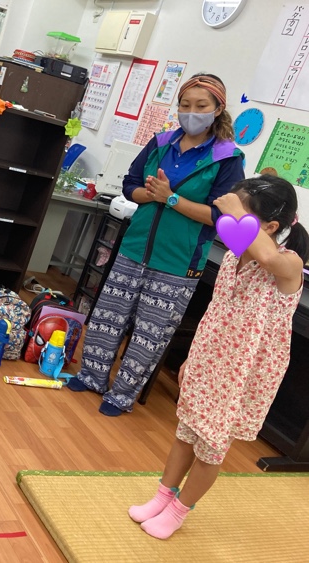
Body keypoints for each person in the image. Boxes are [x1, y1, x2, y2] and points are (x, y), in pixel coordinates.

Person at [129, 175, 308, 539]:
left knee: (210, 448)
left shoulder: (287, 264)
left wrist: (235, 212)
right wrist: (192, 359)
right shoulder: (233, 256)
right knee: (185, 433)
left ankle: (179, 511)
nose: (230, 221)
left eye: (240, 215)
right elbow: (215, 313)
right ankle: (163, 496)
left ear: (271, 227)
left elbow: (267, 255)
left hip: (241, 377)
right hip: (210, 360)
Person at [67, 73, 246, 416]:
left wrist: (170, 198)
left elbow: (222, 216)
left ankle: (121, 397)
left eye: (201, 106)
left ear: (218, 109)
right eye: (185, 105)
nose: (191, 112)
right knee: (107, 318)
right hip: (134, 248)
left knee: (149, 336)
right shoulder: (161, 142)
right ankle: (91, 376)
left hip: (178, 262)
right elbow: (130, 184)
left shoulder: (227, 158)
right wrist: (149, 195)